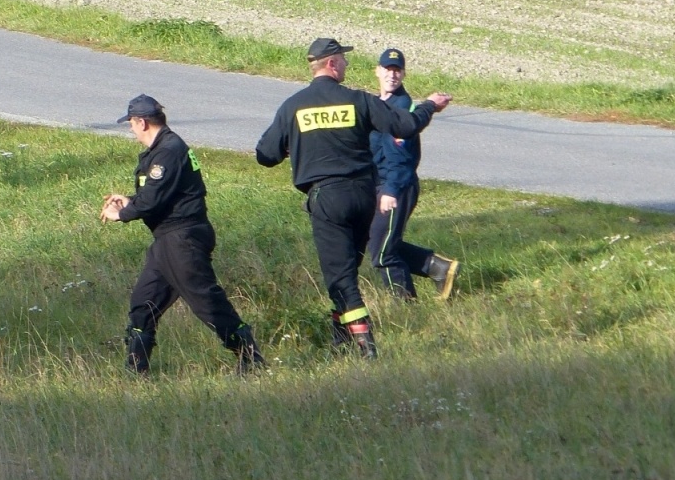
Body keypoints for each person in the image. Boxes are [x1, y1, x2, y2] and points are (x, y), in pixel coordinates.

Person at [255, 38, 451, 357]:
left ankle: (366, 349)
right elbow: (406, 124)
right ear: (331, 64)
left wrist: (297, 143)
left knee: (342, 279)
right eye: (343, 60)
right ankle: (341, 342)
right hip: (364, 199)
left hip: (328, 201)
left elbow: (265, 154)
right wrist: (430, 105)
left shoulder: (293, 106)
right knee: (345, 270)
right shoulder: (358, 100)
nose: (347, 64)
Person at [100, 95, 265, 375]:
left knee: (206, 302)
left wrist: (123, 214)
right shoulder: (162, 150)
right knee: (144, 302)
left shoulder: (168, 151)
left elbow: (153, 199)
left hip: (182, 239)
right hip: (167, 240)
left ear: (141, 122)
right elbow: (159, 195)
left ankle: (250, 358)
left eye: (130, 123)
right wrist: (130, 200)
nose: (130, 129)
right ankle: (135, 370)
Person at [366, 47, 460, 301]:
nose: (392, 75)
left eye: (397, 71)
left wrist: (390, 191)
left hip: (396, 188)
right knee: (377, 242)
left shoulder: (401, 108)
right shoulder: (379, 104)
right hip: (381, 185)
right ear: (377, 71)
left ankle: (405, 306)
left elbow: (401, 159)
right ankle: (438, 267)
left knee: (383, 253)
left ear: (404, 74)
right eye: (387, 69)